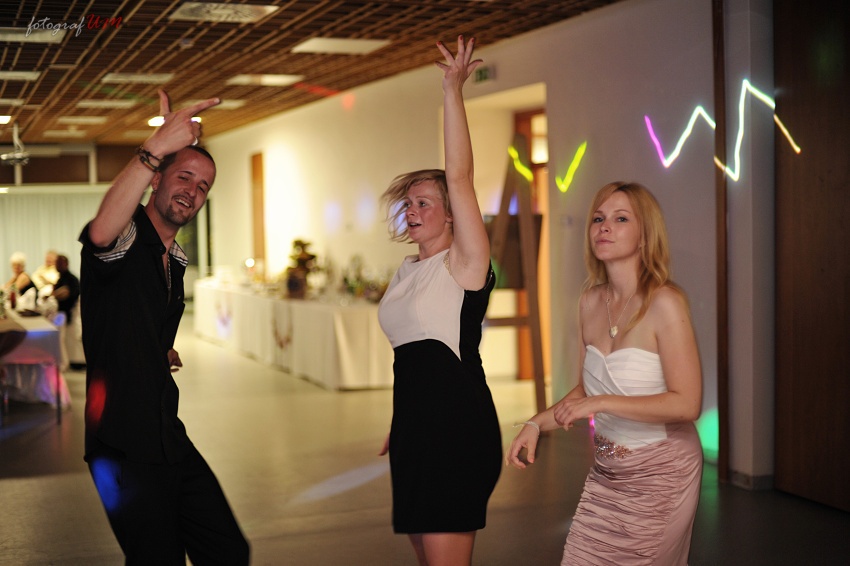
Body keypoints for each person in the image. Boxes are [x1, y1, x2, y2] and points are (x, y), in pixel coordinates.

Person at [78, 89, 249, 565]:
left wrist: (156, 350)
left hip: (165, 433)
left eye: (203, 186)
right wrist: (154, 147)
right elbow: (101, 232)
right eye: (184, 176)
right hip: (119, 445)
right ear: (156, 181)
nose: (192, 191)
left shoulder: (176, 260)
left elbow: (134, 318)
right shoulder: (128, 236)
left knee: (228, 549)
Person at [506, 181, 703, 565]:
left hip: (662, 471)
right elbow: (585, 389)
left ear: (645, 235)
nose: (604, 227)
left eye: (620, 218)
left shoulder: (665, 302)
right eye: (598, 219)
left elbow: (687, 404)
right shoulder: (590, 302)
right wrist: (535, 424)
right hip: (607, 472)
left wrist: (601, 403)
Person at [377, 36, 502, 566]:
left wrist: (452, 90)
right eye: (408, 203)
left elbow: (460, 176)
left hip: (456, 430)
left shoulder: (464, 265)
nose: (412, 210)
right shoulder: (407, 270)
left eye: (424, 202)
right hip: (414, 430)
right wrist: (400, 421)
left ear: (453, 214)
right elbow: (411, 361)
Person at [50, 254, 80, 325]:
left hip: (67, 315)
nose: (57, 265)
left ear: (66, 264)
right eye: (57, 263)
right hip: (60, 313)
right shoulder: (60, 279)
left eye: (60, 263)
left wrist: (55, 294)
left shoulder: (72, 280)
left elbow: (66, 294)